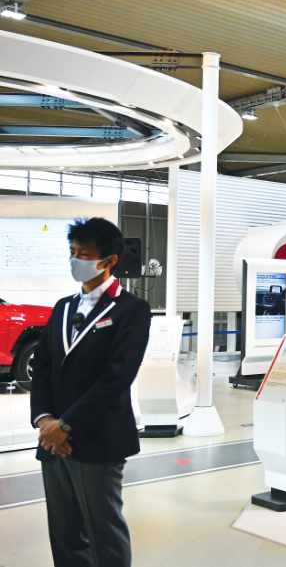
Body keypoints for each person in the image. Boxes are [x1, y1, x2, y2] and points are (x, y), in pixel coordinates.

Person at [30, 217, 151, 567]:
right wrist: (45, 421)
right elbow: (43, 368)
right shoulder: (62, 308)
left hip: (99, 438)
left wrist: (65, 425)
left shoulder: (132, 311)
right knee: (64, 531)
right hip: (53, 440)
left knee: (103, 530)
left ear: (109, 261)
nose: (75, 260)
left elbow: (117, 378)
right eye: (72, 252)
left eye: (84, 254)